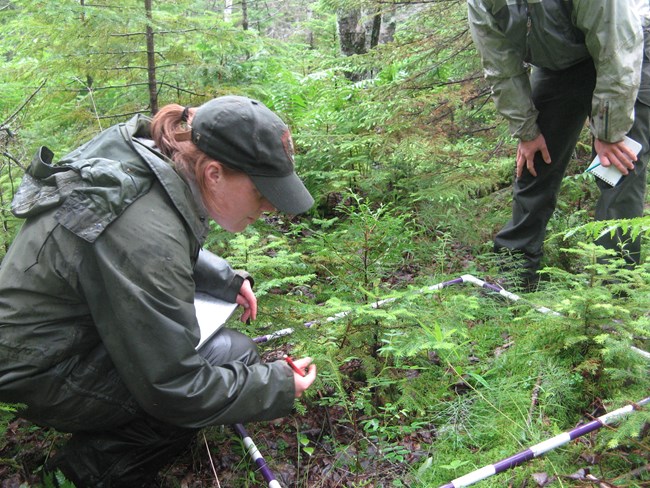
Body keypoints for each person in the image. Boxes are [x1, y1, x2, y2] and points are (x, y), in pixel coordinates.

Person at [0, 95, 317, 486]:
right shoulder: (145, 232)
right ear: (214, 173)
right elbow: (176, 389)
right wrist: (281, 386)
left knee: (237, 352)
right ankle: (86, 473)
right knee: (206, 381)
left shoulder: (147, 157)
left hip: (56, 338)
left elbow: (142, 231)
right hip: (37, 368)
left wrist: (223, 278)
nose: (270, 207)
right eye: (262, 192)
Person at [467, 0, 650, 290]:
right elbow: (500, 65)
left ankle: (615, 289)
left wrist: (608, 131)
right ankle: (517, 271)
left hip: (629, 49)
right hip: (560, 63)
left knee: (618, 165)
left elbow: (616, 49)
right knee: (537, 159)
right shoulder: (482, 3)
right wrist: (527, 131)